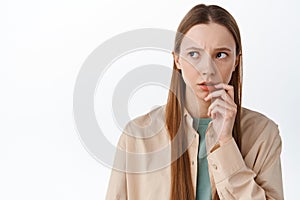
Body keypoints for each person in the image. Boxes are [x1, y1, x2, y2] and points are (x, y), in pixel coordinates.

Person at [106, 4, 283, 200]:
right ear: (177, 60)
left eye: (220, 55)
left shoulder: (263, 134)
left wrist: (226, 143)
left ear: (236, 61)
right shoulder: (137, 136)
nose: (207, 69)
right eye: (194, 54)